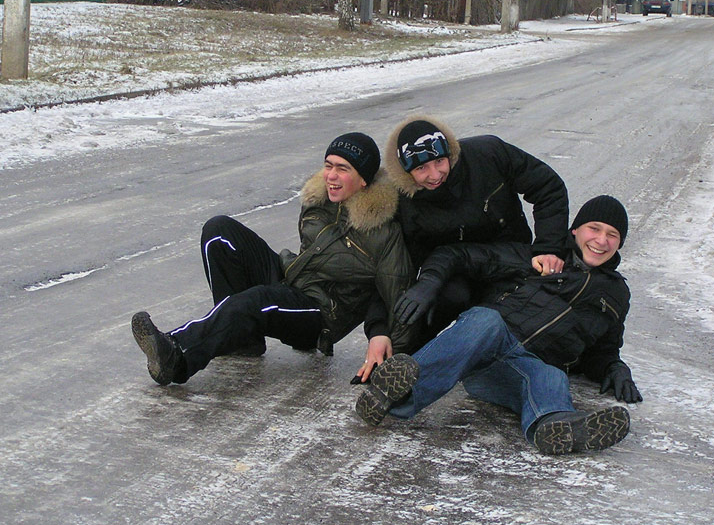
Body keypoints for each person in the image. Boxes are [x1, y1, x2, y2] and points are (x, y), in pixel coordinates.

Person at [354, 195, 642, 455]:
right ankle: (396, 395)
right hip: (484, 348)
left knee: (551, 375)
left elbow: (603, 348)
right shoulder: (538, 256)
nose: (601, 240)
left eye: (612, 234)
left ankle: (557, 425)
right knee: (486, 319)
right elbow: (460, 255)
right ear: (575, 230)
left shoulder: (616, 294)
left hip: (521, 367)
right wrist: (429, 282)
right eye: (594, 228)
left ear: (620, 243)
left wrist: (614, 367)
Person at [131, 132, 416, 386]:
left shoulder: (383, 232)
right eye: (328, 165)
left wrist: (388, 346)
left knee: (256, 301)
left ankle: (177, 357)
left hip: (319, 314)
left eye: (342, 169)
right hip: (290, 278)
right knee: (219, 231)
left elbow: (395, 294)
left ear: (364, 179)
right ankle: (241, 340)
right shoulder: (319, 203)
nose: (331, 175)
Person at [380, 115, 569, 348]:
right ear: (407, 172)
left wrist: (549, 248)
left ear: (449, 153)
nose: (435, 174)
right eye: (421, 168)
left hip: (507, 260)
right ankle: (409, 357)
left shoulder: (488, 154)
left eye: (439, 161)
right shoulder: (403, 201)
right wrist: (382, 334)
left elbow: (548, 187)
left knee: (515, 326)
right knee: (437, 301)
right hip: (453, 271)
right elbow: (395, 270)